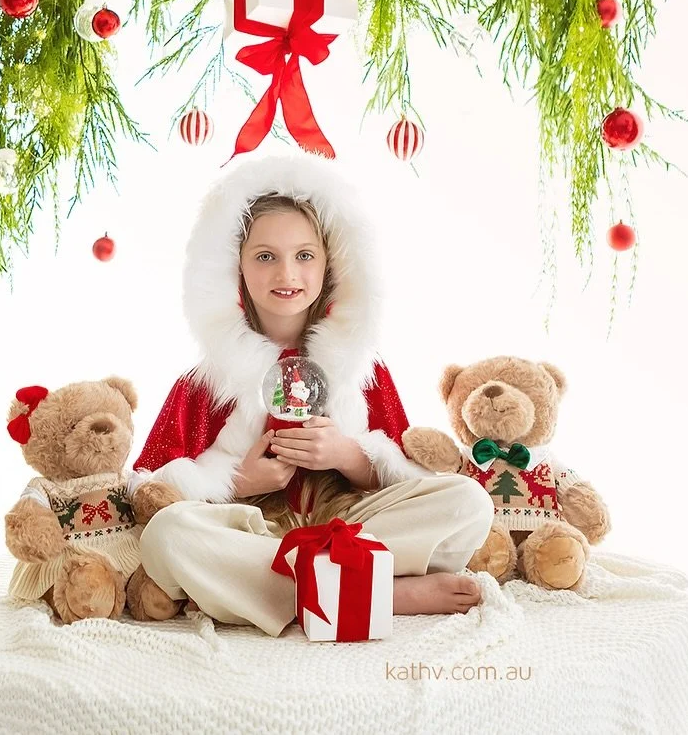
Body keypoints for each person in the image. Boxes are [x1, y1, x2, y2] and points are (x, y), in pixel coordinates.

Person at [133, 150, 492, 636]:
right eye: (265, 257)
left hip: (352, 524)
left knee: (468, 501)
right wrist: (234, 482)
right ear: (236, 266)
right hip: (258, 537)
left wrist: (349, 456)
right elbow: (150, 492)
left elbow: (406, 474)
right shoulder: (206, 382)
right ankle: (379, 592)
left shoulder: (362, 370)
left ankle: (300, 591)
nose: (287, 275)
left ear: (331, 264)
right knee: (168, 536)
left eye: (304, 255)